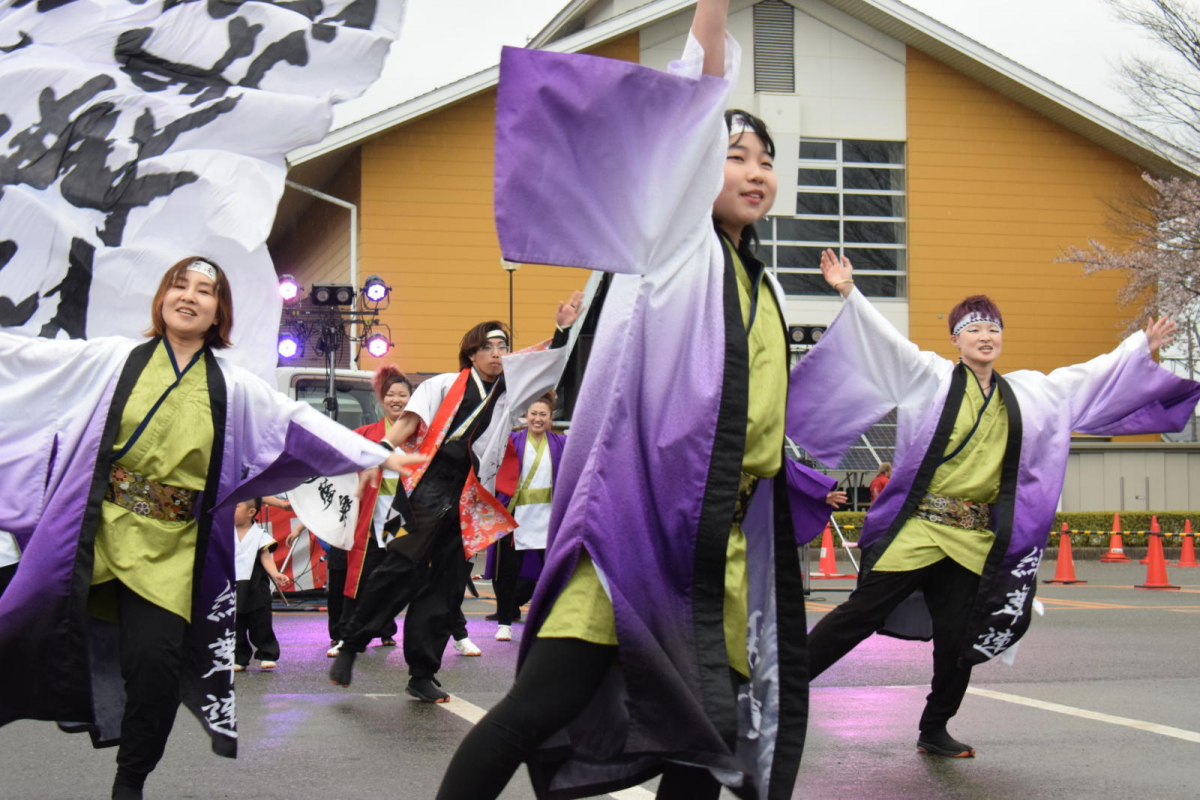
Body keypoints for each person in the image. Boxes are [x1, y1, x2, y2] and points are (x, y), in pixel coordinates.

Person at [436, 2, 844, 797]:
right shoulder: (668, 242)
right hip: (631, 528)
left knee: (703, 739)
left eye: (766, 159)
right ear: (694, 164)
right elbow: (691, 100)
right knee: (540, 702)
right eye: (735, 155)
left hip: (711, 546)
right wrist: (713, 15)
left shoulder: (764, 286)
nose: (755, 172)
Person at [0, 258, 425, 800]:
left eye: (204, 291)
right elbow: (30, 360)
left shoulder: (234, 384)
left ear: (218, 311)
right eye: (179, 285)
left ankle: (129, 783)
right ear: (161, 298)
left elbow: (298, 423)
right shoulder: (112, 359)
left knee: (154, 671)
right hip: (98, 533)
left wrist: (376, 454)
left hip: (173, 550)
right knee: (20, 630)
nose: (189, 297)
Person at [788, 249, 1200, 759]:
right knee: (859, 613)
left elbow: (1090, 375)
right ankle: (781, 696)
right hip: (920, 527)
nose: (986, 337)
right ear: (956, 339)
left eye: (993, 330)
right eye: (974, 330)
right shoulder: (930, 376)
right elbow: (884, 342)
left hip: (972, 538)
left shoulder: (1028, 392)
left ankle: (934, 728)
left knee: (960, 637)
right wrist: (849, 290)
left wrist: (1140, 345)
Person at [330, 304, 584, 702]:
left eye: (503, 345)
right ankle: (351, 643)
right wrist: (380, 450)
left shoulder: (511, 392)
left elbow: (543, 364)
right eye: (490, 346)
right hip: (427, 484)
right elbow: (410, 422)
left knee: (446, 586)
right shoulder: (443, 384)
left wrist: (562, 329)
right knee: (398, 569)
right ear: (472, 353)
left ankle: (422, 672)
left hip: (470, 492)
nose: (499, 353)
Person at [326, 365, 412, 658]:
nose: (396, 400)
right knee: (360, 576)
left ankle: (386, 630)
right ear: (382, 400)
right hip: (370, 516)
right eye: (391, 394)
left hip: (399, 518)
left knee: (394, 577)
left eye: (402, 395)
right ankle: (346, 635)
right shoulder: (365, 434)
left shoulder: (420, 438)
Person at [490, 393, 566, 642]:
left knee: (551, 572)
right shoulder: (511, 440)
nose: (537, 418)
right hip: (516, 514)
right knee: (508, 571)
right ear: (525, 415)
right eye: (533, 413)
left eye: (543, 414)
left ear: (550, 417)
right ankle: (504, 622)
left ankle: (549, 621)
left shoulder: (560, 443)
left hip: (548, 517)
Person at [233, 498, 290, 672]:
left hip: (256, 584)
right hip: (233, 584)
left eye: (236, 506)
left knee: (260, 621)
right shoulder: (225, 532)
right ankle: (239, 657)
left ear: (251, 512)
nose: (230, 511)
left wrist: (276, 574)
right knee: (236, 623)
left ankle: (267, 653)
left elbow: (266, 558)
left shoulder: (260, 534)